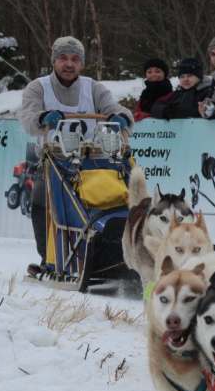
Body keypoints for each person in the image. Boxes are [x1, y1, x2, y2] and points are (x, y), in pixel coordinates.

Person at [17, 36, 134, 276]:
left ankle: (110, 255)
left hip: (95, 160)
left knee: (112, 200)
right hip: (54, 160)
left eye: (75, 59)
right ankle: (49, 259)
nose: (69, 64)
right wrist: (42, 118)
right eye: (63, 58)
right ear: (54, 61)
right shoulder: (38, 87)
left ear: (81, 63)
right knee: (41, 202)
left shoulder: (93, 88)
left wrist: (120, 118)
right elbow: (28, 117)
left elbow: (115, 108)